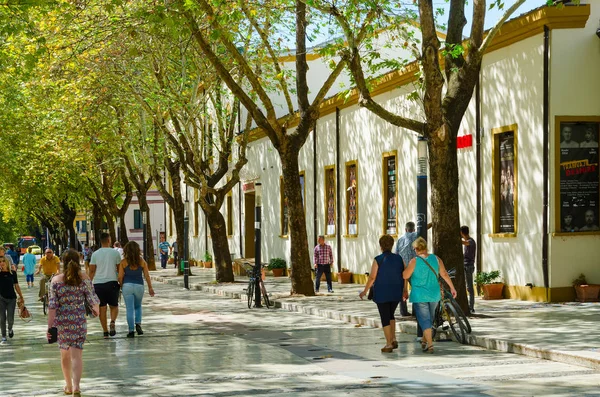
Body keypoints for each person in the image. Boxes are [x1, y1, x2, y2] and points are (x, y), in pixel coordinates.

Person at [47, 249, 100, 395]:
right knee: (77, 355)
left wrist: (49, 326)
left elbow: (52, 306)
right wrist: (96, 311)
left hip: (62, 321)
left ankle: (68, 386)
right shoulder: (84, 278)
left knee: (64, 355)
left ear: (63, 262)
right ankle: (77, 387)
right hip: (79, 320)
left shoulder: (56, 281)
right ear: (79, 261)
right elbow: (93, 300)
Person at [403, 237, 457, 354]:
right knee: (429, 319)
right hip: (434, 294)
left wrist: (404, 269)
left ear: (416, 249)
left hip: (420, 295)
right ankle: (424, 340)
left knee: (424, 320)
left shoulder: (414, 261)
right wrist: (452, 288)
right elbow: (444, 274)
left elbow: (405, 276)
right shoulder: (436, 259)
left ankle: (430, 345)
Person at [359, 235, 406, 352]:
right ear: (392, 245)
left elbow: (372, 277)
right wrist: (405, 289)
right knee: (391, 315)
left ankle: (388, 344)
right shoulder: (399, 258)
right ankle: (393, 338)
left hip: (382, 292)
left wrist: (364, 291)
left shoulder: (378, 259)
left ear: (380, 246)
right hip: (396, 291)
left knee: (385, 317)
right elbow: (404, 275)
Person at [118, 241, 155, 338]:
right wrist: (150, 287)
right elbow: (147, 275)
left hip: (127, 286)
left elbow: (120, 277)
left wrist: (121, 286)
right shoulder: (142, 261)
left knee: (129, 309)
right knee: (138, 306)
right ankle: (138, 324)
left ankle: (131, 330)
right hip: (139, 286)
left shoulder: (123, 262)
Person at [89, 233, 122, 338]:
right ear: (109, 240)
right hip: (112, 282)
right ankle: (112, 321)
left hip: (98, 284)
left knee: (102, 308)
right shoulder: (115, 253)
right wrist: (120, 281)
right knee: (114, 306)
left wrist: (89, 285)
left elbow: (92, 271)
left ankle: (105, 332)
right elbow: (119, 269)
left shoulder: (95, 254)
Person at [0, 256, 24, 344]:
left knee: (10, 319)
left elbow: (16, 285)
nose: (1, 263)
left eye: (3, 261)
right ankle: (3, 336)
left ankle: (10, 328)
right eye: (0, 262)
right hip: (1, 298)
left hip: (11, 299)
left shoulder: (12, 273)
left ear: (7, 262)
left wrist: (21, 296)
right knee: (2, 318)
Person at [461, 226, 477, 313]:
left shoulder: (471, 241)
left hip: (469, 266)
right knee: (467, 287)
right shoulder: (468, 241)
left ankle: (471, 307)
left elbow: (465, 243)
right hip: (465, 265)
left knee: (470, 287)